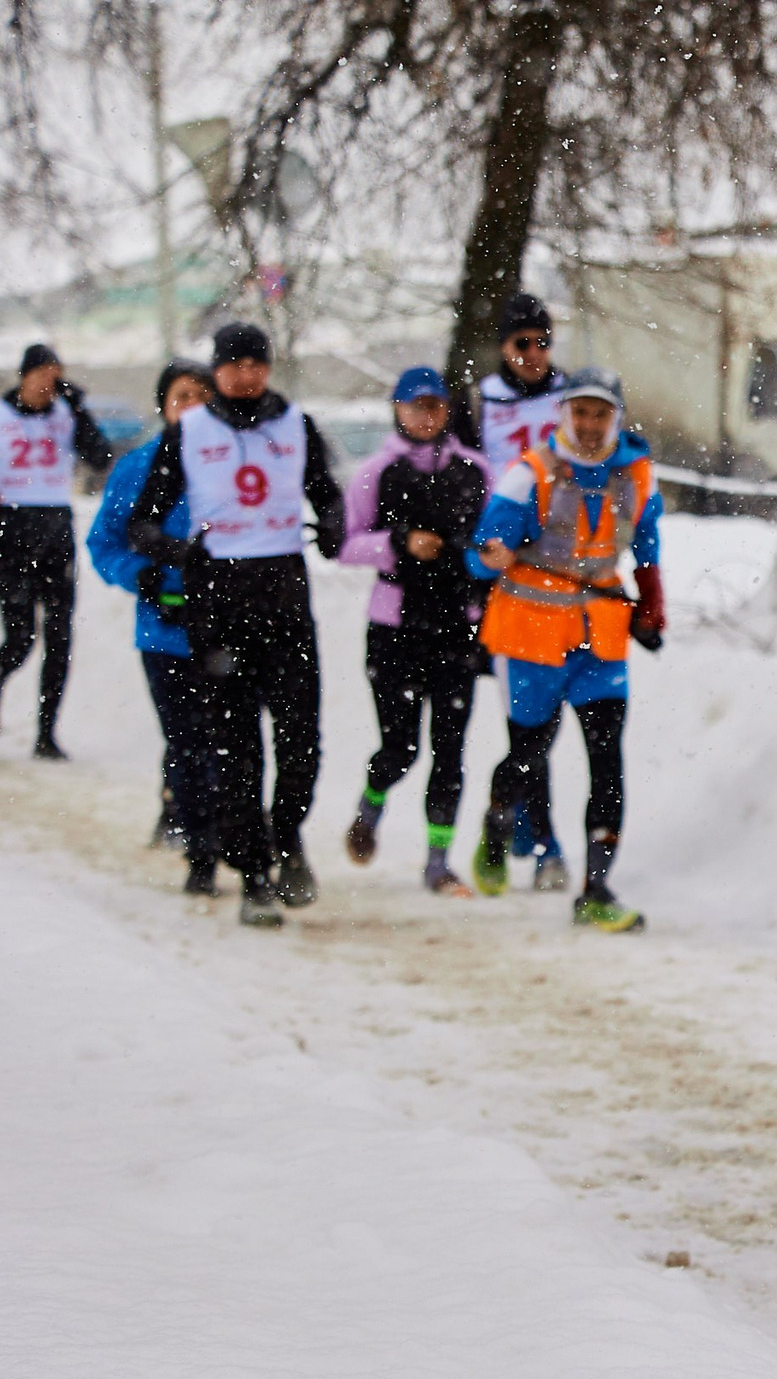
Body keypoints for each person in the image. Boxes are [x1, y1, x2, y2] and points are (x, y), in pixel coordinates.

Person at [127, 321, 346, 928]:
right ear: (215, 370)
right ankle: (254, 876)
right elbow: (142, 524)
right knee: (237, 748)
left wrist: (332, 527)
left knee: (302, 743)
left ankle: (289, 835)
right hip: (218, 602)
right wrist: (178, 555)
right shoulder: (188, 432)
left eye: (257, 363)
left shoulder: (295, 424)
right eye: (234, 364)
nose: (246, 375)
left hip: (284, 597)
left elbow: (328, 494)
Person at [466, 367, 663, 932]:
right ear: (563, 415)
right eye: (580, 412)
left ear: (616, 418)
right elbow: (479, 551)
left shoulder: (637, 474)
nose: (591, 424)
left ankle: (596, 887)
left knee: (608, 761)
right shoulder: (527, 474)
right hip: (531, 636)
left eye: (601, 413)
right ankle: (498, 822)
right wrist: (491, 556)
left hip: (598, 636)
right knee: (528, 755)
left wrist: (652, 607)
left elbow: (648, 547)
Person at [336, 367, 492, 895]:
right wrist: (399, 543)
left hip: (457, 625)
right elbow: (345, 544)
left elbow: (497, 539)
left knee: (450, 750)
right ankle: (371, 802)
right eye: (415, 405)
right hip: (396, 627)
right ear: (397, 410)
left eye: (435, 405)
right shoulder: (375, 472)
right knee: (400, 748)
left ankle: (438, 861)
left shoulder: (477, 471)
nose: (426, 415)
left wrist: (487, 560)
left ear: (448, 409)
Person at [86, 360, 221, 895]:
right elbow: (104, 544)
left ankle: (221, 831)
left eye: (203, 397)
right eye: (182, 396)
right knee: (188, 740)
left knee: (226, 740)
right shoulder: (139, 468)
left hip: (230, 627)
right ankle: (198, 847)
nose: (193, 407)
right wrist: (141, 576)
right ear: (163, 404)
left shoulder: (229, 462)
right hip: (165, 631)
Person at [457, 290, 573, 890]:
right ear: (503, 347)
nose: (534, 354)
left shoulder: (575, 398)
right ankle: (539, 834)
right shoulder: (479, 405)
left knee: (546, 719)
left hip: (569, 576)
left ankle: (527, 826)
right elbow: (466, 482)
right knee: (526, 721)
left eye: (543, 342)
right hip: (506, 576)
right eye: (522, 343)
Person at [0, 342, 116, 758]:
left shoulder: (66, 415)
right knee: (21, 636)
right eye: (44, 373)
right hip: (13, 534)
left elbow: (100, 459)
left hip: (56, 530)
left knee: (60, 637)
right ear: (25, 375)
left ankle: (46, 734)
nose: (51, 382)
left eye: (56, 373)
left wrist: (80, 410)